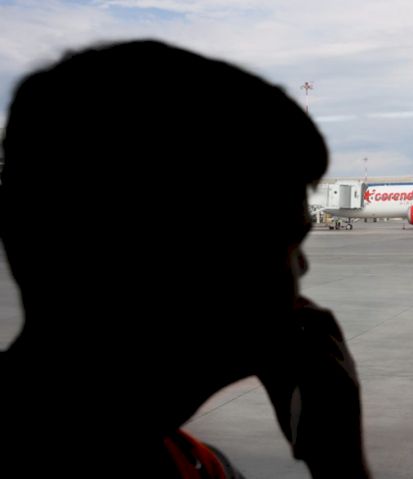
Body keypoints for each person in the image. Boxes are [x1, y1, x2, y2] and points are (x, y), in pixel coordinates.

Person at [0, 40, 370, 478]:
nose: (302, 269)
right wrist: (341, 463)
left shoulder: (193, 461)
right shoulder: (192, 465)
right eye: (283, 242)